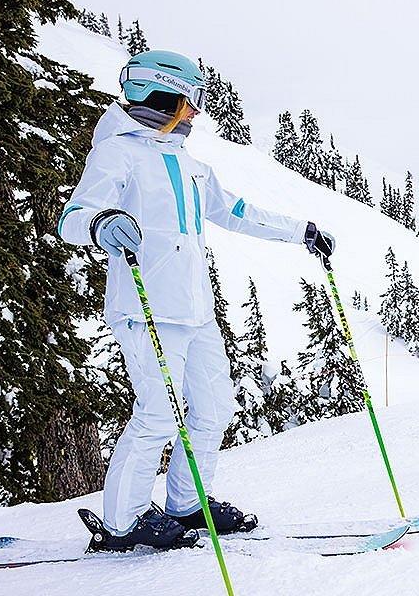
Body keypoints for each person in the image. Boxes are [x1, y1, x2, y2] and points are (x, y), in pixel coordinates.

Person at [58, 51, 334, 551]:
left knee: (213, 410)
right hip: (146, 308)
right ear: (164, 95)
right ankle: (124, 520)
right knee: (159, 414)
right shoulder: (116, 154)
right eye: (192, 100)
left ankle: (188, 503)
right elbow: (74, 217)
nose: (197, 112)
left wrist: (302, 231)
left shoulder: (190, 164)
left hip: (195, 310)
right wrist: (100, 224)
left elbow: (235, 212)